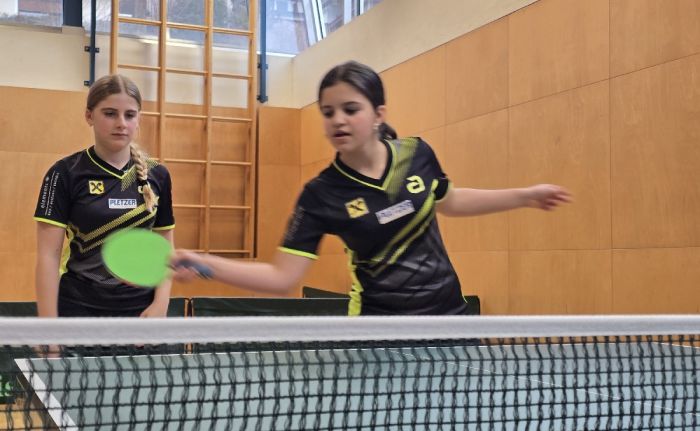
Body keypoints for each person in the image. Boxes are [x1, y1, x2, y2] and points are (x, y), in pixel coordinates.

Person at [172, 61, 571, 315]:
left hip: (449, 318)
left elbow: (450, 201)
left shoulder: (416, 153)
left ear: (379, 114)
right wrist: (205, 264)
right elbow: (281, 277)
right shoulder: (321, 194)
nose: (337, 120)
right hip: (379, 330)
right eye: (328, 112)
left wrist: (524, 196)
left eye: (350, 109)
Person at [34, 74, 175, 318]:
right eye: (110, 113)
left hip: (142, 310)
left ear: (138, 119)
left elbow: (165, 248)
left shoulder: (158, 175)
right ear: (89, 116)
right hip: (78, 307)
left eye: (129, 115)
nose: (121, 123)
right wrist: (48, 325)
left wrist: (160, 304)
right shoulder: (64, 173)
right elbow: (48, 256)